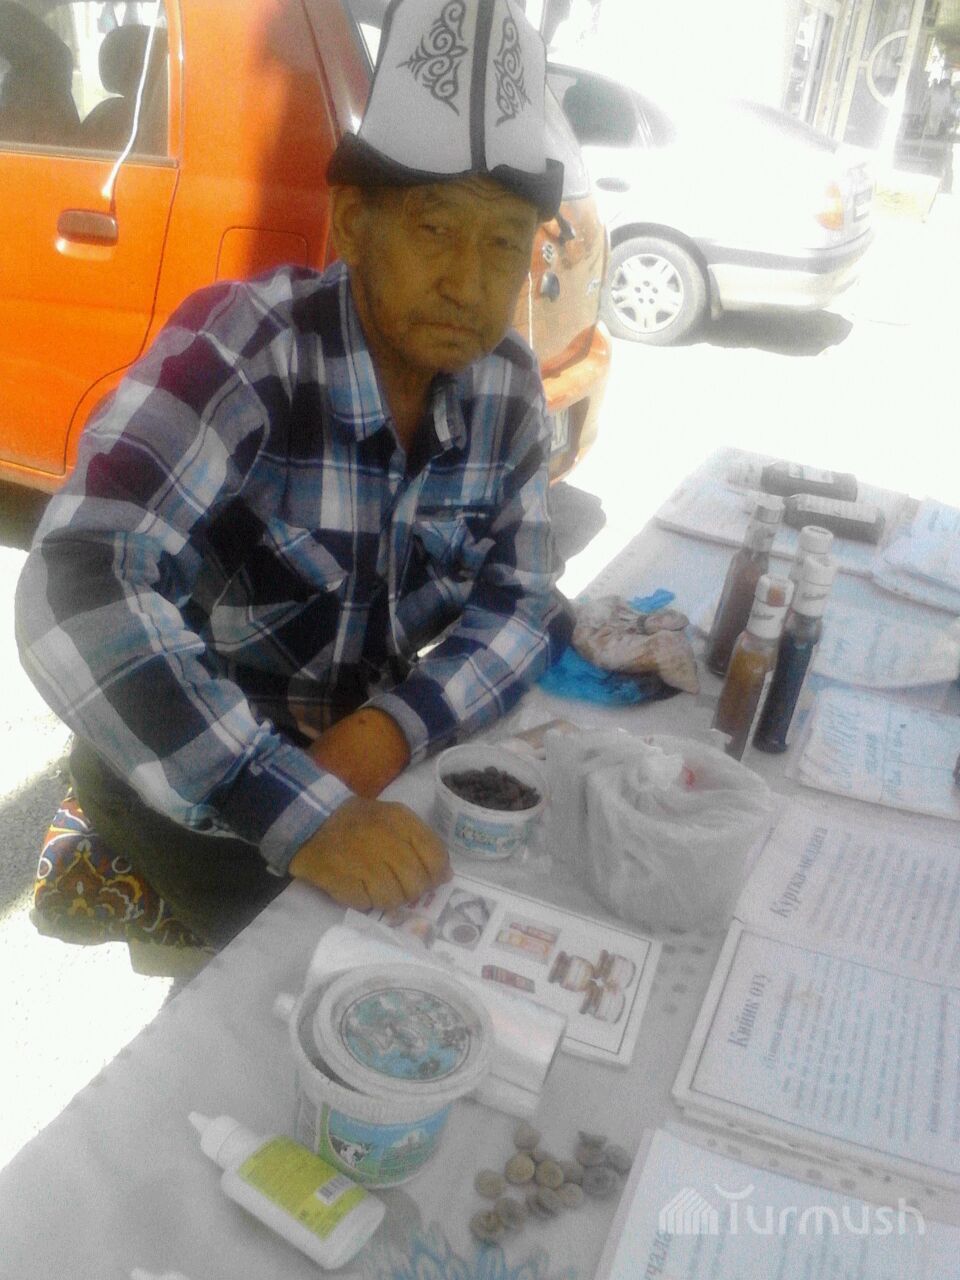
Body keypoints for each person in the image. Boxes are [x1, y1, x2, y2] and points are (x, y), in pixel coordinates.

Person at [15, 0, 571, 950]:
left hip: (368, 763)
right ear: (354, 222)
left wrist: (393, 729)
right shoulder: (242, 351)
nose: (469, 282)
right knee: (285, 1004)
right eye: (436, 228)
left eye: (504, 244)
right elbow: (77, 579)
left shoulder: (505, 387)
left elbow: (522, 600)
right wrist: (290, 807)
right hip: (197, 779)